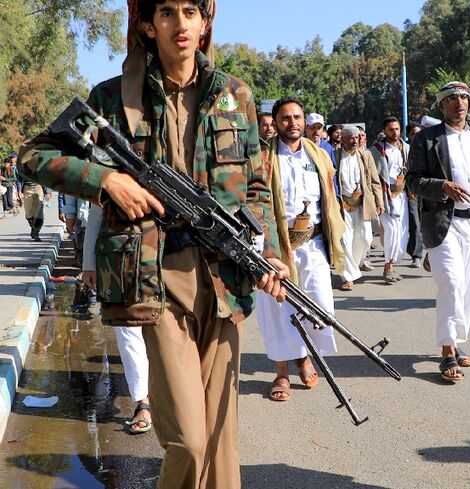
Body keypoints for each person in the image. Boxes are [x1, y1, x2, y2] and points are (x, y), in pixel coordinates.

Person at [18, 2, 288, 487]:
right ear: (147, 24)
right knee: (188, 440)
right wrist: (106, 181)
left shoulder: (234, 95)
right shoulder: (114, 98)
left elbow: (257, 187)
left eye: (190, 10)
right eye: (166, 11)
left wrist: (267, 255)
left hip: (225, 281)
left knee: (221, 445)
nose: (180, 23)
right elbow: (33, 155)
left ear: (206, 21)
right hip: (155, 280)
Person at [406, 81, 470, 382]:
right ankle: (448, 349)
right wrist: (441, 187)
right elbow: (413, 181)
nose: (459, 103)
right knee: (451, 283)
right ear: (442, 106)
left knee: (467, 286)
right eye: (452, 99)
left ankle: (456, 340)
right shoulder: (427, 139)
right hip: (443, 223)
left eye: (464, 98)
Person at [256, 96, 345, 402]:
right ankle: (282, 372)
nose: (292, 123)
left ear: (304, 120)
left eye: (297, 117)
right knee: (278, 310)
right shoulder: (261, 157)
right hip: (275, 248)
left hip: (313, 244)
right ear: (276, 123)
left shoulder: (319, 155)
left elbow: (330, 200)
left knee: (320, 305)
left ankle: (304, 355)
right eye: (285, 118)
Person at [82, 206, 152, 434]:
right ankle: (143, 402)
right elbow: (97, 207)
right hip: (123, 256)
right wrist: (89, 263)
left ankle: (169, 398)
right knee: (128, 329)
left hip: (168, 255)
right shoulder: (112, 168)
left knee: (164, 332)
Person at [334, 125, 384, 291]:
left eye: (356, 137)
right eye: (350, 137)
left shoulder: (365, 155)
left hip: (362, 203)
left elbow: (375, 181)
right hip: (342, 205)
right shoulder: (334, 155)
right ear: (342, 139)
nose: (354, 140)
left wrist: (379, 202)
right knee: (345, 241)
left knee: (365, 238)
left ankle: (352, 267)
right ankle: (346, 277)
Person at [371, 116, 411, 283]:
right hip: (386, 196)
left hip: (402, 195)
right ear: (384, 131)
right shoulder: (377, 150)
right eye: (391, 129)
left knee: (402, 232)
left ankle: (392, 264)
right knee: (392, 231)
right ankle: (388, 268)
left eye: (397, 129)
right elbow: (373, 175)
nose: (394, 132)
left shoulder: (406, 148)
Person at [403, 121, 424, 268]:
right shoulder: (405, 150)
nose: (417, 136)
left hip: (428, 192)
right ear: (408, 135)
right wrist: (411, 190)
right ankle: (416, 255)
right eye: (413, 134)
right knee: (415, 223)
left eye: (419, 133)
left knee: (425, 223)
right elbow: (406, 171)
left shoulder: (428, 146)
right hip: (412, 192)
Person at [19, 172, 51, 241]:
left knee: (39, 212)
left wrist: (48, 192)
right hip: (27, 188)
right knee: (28, 213)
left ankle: (36, 232)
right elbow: (19, 178)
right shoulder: (23, 163)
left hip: (38, 187)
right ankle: (33, 228)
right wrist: (19, 191)